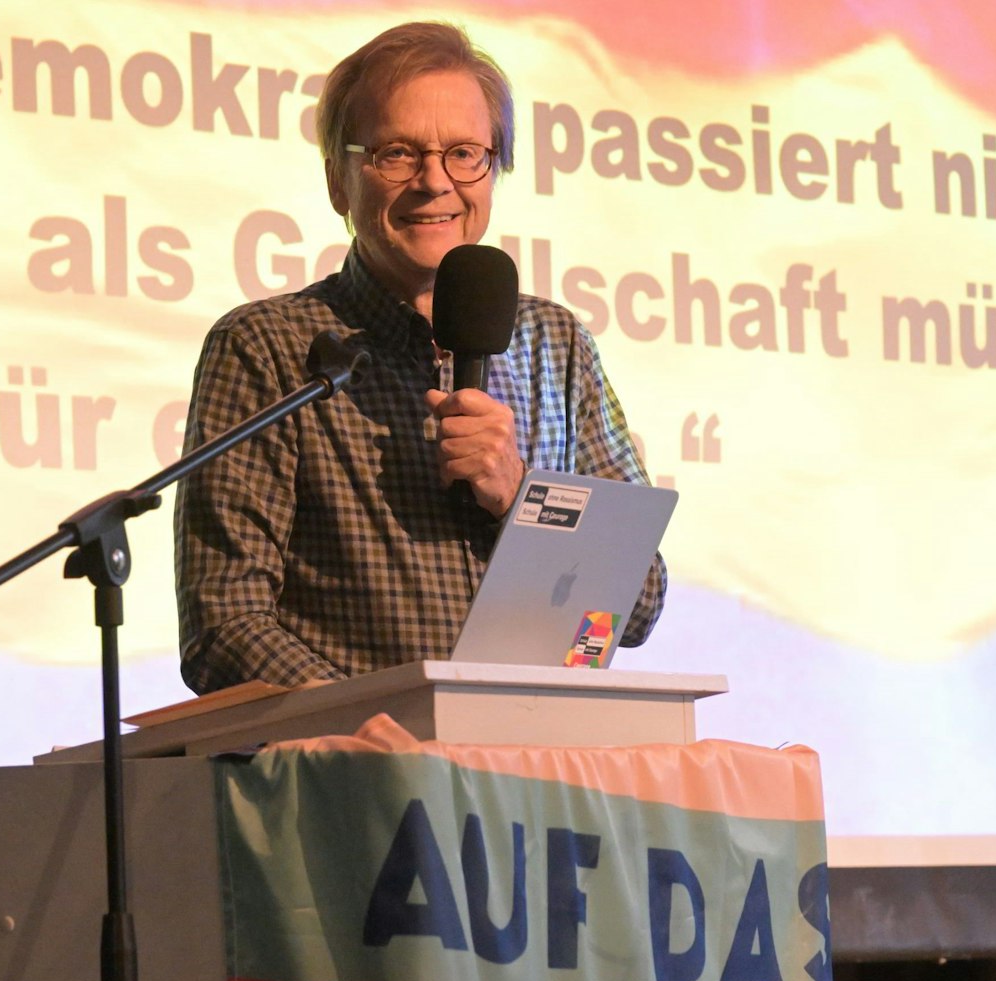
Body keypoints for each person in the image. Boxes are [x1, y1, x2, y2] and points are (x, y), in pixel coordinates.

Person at [173, 21, 666, 694]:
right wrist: (385, 733)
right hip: (359, 759)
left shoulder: (557, 344)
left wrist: (521, 497)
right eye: (398, 154)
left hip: (532, 752)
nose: (435, 182)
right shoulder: (268, 347)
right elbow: (224, 623)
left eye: (465, 153)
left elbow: (637, 606)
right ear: (339, 181)